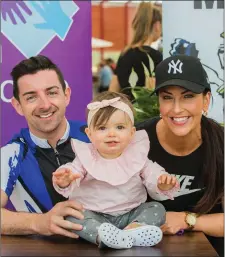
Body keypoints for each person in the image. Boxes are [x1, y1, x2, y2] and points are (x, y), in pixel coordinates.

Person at [52, 91, 180, 249]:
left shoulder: (136, 157)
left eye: (120, 127)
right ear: (89, 134)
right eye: (102, 128)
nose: (111, 133)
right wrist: (66, 179)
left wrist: (161, 182)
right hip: (94, 214)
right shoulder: (86, 158)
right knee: (72, 217)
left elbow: (152, 174)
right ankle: (103, 236)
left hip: (130, 214)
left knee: (157, 209)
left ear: (132, 133)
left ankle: (132, 231)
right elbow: (73, 170)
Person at [136, 55, 224, 256]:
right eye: (167, 97)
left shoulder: (221, 144)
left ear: (206, 100)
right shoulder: (137, 140)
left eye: (188, 96)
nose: (176, 109)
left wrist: (188, 219)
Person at [1, 55, 89, 238]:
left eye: (51, 92)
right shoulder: (11, 153)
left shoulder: (95, 138)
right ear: (18, 106)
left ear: (66, 95)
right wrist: (39, 223)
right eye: (31, 97)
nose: (45, 105)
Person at [109, 2, 162, 96]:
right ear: (157, 25)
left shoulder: (124, 54)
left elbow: (113, 91)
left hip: (126, 109)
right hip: (148, 110)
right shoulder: (156, 56)